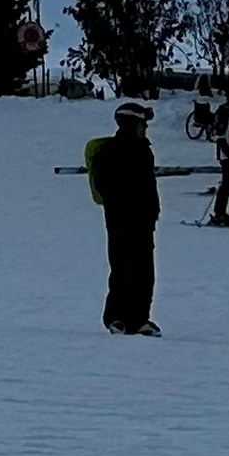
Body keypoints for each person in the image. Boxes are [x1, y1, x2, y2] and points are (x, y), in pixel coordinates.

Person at [86, 102, 163, 335]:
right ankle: (116, 318)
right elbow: (104, 185)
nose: (145, 128)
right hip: (121, 220)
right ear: (132, 124)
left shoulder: (143, 149)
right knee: (123, 268)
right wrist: (126, 201)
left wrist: (152, 212)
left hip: (142, 221)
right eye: (143, 124)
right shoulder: (111, 152)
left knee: (143, 272)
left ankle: (138, 318)